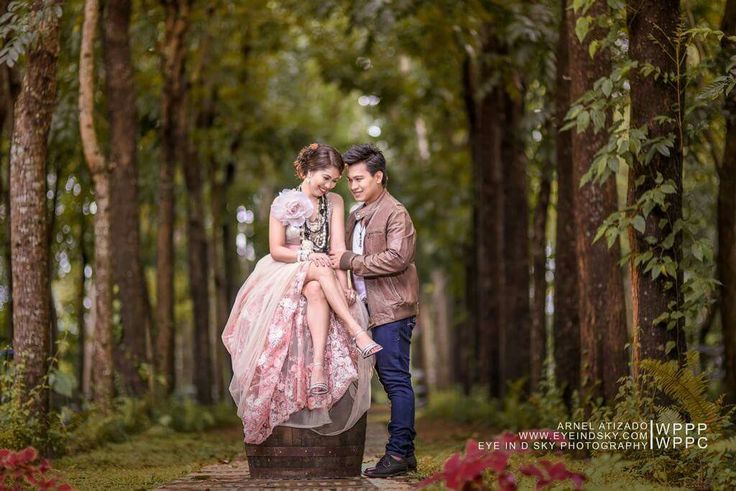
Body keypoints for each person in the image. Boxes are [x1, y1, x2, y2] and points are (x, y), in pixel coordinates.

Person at [222, 143, 380, 445]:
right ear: (307, 171)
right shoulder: (284, 203)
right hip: (285, 267)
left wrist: (345, 283)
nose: (329, 185)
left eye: (335, 180)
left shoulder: (334, 202)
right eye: (325, 178)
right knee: (318, 274)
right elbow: (276, 249)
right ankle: (356, 332)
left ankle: (319, 369)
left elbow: (336, 249)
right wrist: (306, 256)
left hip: (320, 274)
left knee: (319, 288)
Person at [329, 143, 419, 477]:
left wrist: (352, 261)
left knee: (396, 381)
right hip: (366, 308)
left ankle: (397, 454)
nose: (353, 186)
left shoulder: (395, 213)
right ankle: (405, 453)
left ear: (378, 176)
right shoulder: (357, 214)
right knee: (388, 380)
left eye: (359, 179)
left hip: (392, 309)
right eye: (349, 180)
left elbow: (398, 258)